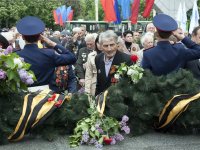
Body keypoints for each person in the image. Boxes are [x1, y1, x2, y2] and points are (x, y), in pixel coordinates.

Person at [16, 16, 76, 90]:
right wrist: (52, 44)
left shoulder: (16, 55)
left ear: (22, 37)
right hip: (46, 97)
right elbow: (72, 58)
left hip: (24, 97)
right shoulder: (49, 54)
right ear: (39, 37)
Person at [95, 30, 132, 96]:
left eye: (112, 45)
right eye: (106, 46)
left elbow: (130, 85)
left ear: (117, 44)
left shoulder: (127, 59)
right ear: (100, 46)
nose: (109, 49)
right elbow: (99, 83)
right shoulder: (98, 58)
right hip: (103, 101)